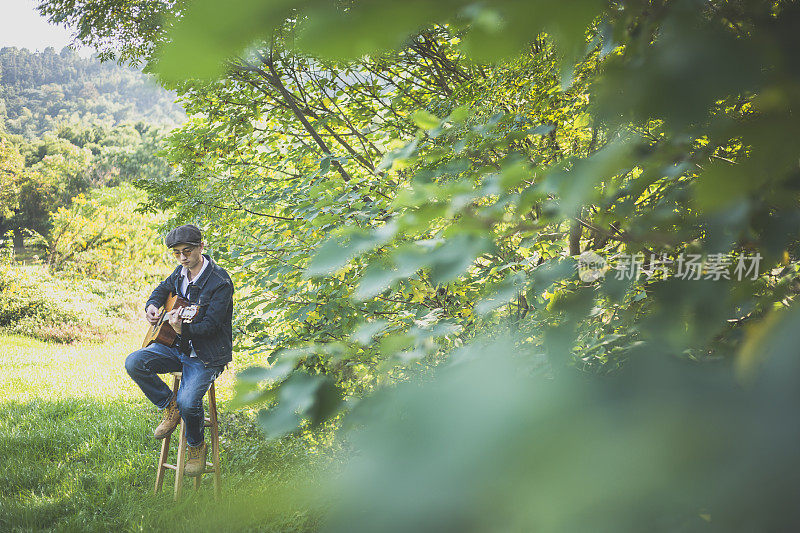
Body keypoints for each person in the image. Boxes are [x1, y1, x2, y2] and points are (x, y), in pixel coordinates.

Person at [125, 224, 234, 476]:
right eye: (177, 253)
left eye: (187, 251)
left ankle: (196, 446)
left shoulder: (220, 282)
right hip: (178, 348)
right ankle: (168, 405)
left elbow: (211, 326)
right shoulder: (180, 273)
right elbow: (162, 290)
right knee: (135, 362)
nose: (183, 258)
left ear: (201, 247)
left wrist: (183, 329)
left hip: (206, 356)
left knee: (188, 400)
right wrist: (152, 306)